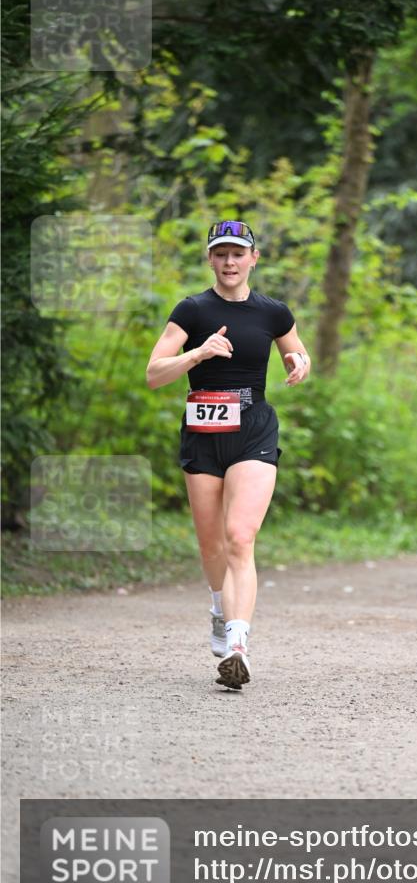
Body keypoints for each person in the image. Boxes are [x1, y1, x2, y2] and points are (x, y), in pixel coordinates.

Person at [146, 219, 310, 690]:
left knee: (240, 536)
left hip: (253, 428)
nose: (230, 261)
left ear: (254, 258)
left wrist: (300, 364)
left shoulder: (273, 312)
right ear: (210, 259)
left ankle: (238, 644)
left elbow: (296, 354)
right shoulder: (192, 310)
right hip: (204, 432)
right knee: (211, 543)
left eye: (238, 253)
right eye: (221, 253)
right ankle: (220, 609)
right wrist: (197, 354)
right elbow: (155, 373)